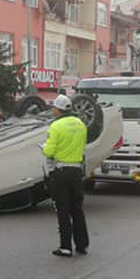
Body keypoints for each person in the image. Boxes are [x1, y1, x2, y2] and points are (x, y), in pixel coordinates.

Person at [42, 95, 89, 258]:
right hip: (76, 171)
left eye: (53, 107)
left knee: (63, 209)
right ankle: (82, 244)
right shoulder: (81, 125)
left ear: (58, 109)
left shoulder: (56, 126)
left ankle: (66, 246)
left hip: (61, 172)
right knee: (77, 209)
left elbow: (49, 151)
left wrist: (44, 148)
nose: (53, 110)